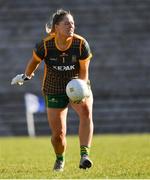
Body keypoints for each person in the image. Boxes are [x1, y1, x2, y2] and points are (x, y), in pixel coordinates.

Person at [11, 9, 94, 172]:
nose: (71, 25)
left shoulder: (81, 43)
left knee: (86, 113)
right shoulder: (45, 45)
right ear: (56, 27)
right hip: (53, 88)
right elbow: (34, 61)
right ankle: (60, 159)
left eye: (72, 23)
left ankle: (84, 155)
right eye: (67, 23)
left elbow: (84, 69)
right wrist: (25, 76)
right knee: (58, 135)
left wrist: (81, 88)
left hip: (77, 84)